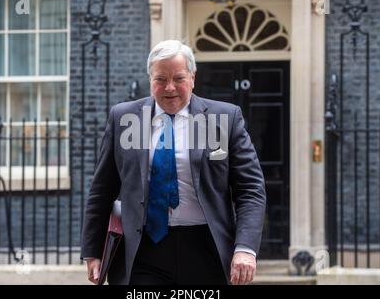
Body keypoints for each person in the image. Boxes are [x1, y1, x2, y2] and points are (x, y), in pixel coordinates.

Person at [81, 40, 266, 285]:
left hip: (205, 247)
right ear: (150, 79)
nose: (170, 87)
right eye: (160, 79)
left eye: (179, 78)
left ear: (192, 78)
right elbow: (102, 190)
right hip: (142, 250)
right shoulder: (123, 118)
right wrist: (93, 250)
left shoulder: (225, 118)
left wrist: (245, 247)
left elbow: (250, 189)